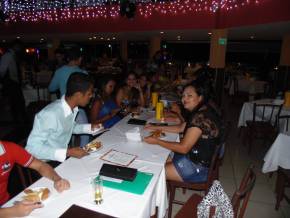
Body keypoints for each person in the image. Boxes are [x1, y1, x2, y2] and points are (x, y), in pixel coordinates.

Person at [144, 80, 222, 183]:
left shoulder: (200, 117)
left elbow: (183, 148)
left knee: (151, 170)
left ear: (200, 97)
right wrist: (154, 127)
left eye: (189, 96)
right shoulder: (202, 110)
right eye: (183, 95)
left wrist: (157, 141)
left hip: (197, 167)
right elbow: (181, 128)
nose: (184, 98)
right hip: (196, 157)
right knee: (156, 159)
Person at [26, 73, 100, 165]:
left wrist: (90, 127)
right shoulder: (50, 114)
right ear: (78, 95)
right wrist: (68, 152)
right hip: (44, 164)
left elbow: (68, 127)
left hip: (60, 158)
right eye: (89, 93)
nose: (91, 96)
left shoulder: (71, 107)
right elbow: (32, 149)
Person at [0, 140, 70, 217]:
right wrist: (11, 211)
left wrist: (57, 179)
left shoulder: (8, 148)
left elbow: (40, 165)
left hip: (5, 202)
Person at [48, 47, 90, 147]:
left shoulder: (59, 71)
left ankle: (68, 155)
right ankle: (82, 153)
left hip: (64, 108)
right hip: (78, 108)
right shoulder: (83, 74)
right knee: (85, 134)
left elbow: (51, 88)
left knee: (65, 136)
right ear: (79, 59)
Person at [0, 40, 26, 123]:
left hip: (13, 82)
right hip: (11, 82)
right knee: (16, 101)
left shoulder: (12, 55)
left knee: (17, 101)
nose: (20, 49)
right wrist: (2, 82)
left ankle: (19, 120)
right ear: (15, 46)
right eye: (19, 47)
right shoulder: (8, 55)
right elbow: (2, 70)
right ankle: (19, 120)